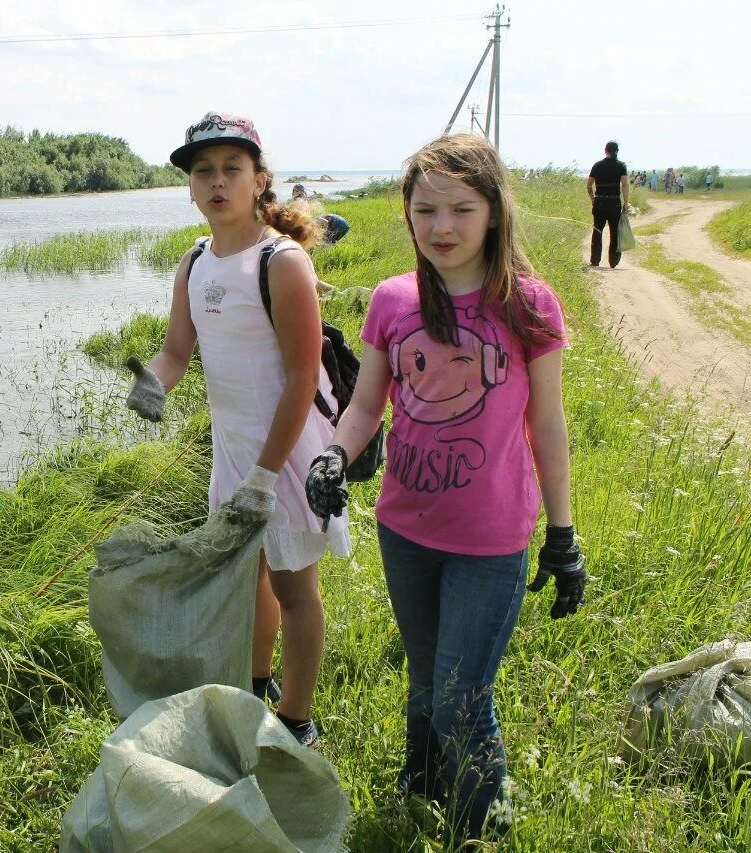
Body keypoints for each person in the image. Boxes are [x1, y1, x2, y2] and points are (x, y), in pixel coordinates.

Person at [305, 134, 586, 842]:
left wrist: (563, 535)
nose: (442, 227)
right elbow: (366, 405)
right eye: (425, 210)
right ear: (407, 214)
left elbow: (547, 426)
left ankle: (477, 821)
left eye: (461, 208)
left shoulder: (529, 304)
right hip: (405, 529)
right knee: (426, 677)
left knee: (464, 694)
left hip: (491, 541)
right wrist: (334, 456)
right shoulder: (395, 300)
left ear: (493, 211)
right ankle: (421, 781)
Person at [124, 112, 351, 747]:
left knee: (293, 584)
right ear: (190, 188)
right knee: (248, 573)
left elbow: (303, 382)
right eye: (204, 172)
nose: (217, 182)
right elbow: (176, 350)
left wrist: (265, 474)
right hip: (233, 450)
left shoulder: (281, 264)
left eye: (232, 169)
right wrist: (154, 385)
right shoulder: (194, 262)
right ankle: (256, 686)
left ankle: (298, 721)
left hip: (288, 450)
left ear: (258, 181)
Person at [586, 141, 629, 268]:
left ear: (605, 150)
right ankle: (613, 261)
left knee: (597, 230)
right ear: (617, 151)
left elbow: (589, 185)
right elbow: (625, 186)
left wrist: (593, 198)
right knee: (615, 232)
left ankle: (595, 260)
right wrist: (626, 203)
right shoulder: (621, 165)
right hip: (614, 202)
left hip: (599, 201)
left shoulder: (597, 165)